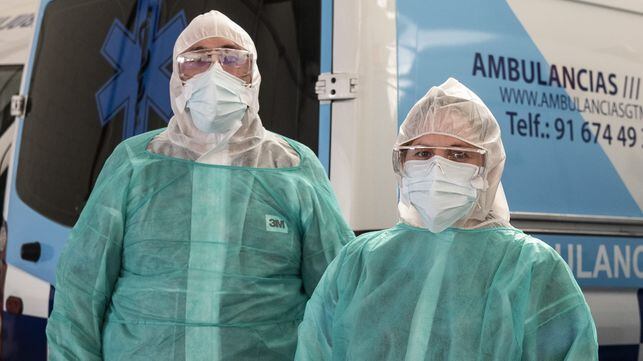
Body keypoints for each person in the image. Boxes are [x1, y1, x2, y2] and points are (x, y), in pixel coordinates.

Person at [46, 10, 354, 360]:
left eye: (231, 57)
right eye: (196, 59)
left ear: (252, 73)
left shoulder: (292, 166)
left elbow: (336, 294)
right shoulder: (135, 163)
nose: (215, 71)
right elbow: (81, 290)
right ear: (178, 76)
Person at [295, 78, 598, 361]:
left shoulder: (530, 267)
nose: (437, 167)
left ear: (488, 167)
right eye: (423, 153)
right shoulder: (360, 262)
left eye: (458, 155)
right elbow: (316, 348)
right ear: (402, 164)